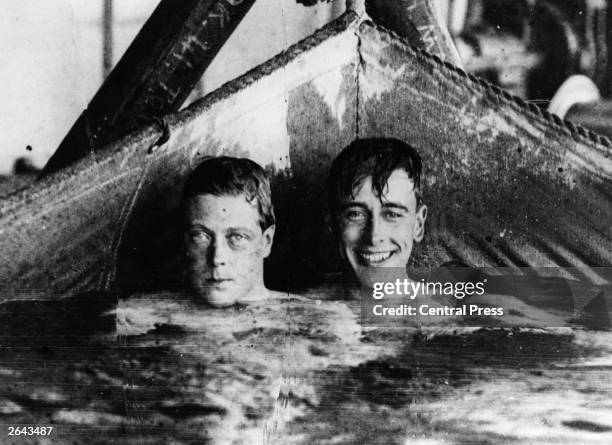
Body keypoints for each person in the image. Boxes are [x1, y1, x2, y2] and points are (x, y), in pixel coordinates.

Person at [325, 137, 428, 298]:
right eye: (355, 214)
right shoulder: (297, 311)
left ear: (418, 224)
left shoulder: (451, 317)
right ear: (332, 224)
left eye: (393, 214)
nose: (374, 237)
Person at [181, 156, 282, 307]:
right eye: (201, 236)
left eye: (237, 237)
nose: (217, 258)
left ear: (266, 241)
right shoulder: (143, 314)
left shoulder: (307, 319)